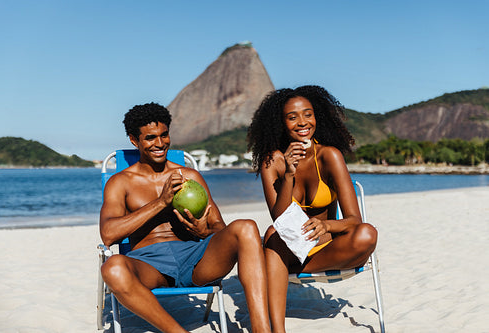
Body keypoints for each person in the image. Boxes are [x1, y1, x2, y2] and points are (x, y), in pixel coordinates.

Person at [100, 102, 271, 333]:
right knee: (112, 268)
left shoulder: (190, 176)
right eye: (150, 138)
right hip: (150, 265)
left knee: (247, 227)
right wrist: (161, 202)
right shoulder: (120, 183)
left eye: (164, 135)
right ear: (134, 140)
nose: (160, 144)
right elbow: (109, 235)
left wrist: (204, 232)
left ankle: (262, 329)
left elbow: (219, 227)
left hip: (195, 260)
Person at [247, 85, 377, 332]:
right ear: (280, 123)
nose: (302, 122)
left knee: (367, 234)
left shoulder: (329, 156)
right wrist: (288, 174)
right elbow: (279, 218)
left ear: (317, 117)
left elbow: (354, 219)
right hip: (289, 247)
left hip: (325, 246)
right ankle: (278, 329)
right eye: (292, 117)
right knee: (273, 234)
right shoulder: (271, 162)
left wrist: (326, 225)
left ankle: (279, 270)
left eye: (308, 114)